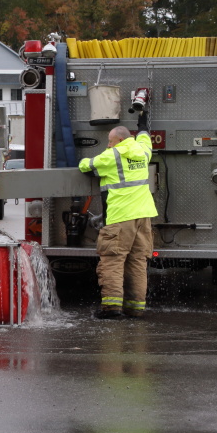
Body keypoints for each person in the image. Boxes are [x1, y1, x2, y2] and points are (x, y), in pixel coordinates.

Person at [79, 113, 157, 320]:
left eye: (110, 141)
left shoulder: (112, 155)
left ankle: (112, 309)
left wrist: (97, 155)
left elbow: (85, 165)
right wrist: (142, 127)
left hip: (121, 216)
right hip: (144, 216)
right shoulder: (142, 150)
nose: (108, 144)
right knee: (138, 262)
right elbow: (145, 139)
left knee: (112, 260)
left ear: (120, 141)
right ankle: (135, 308)